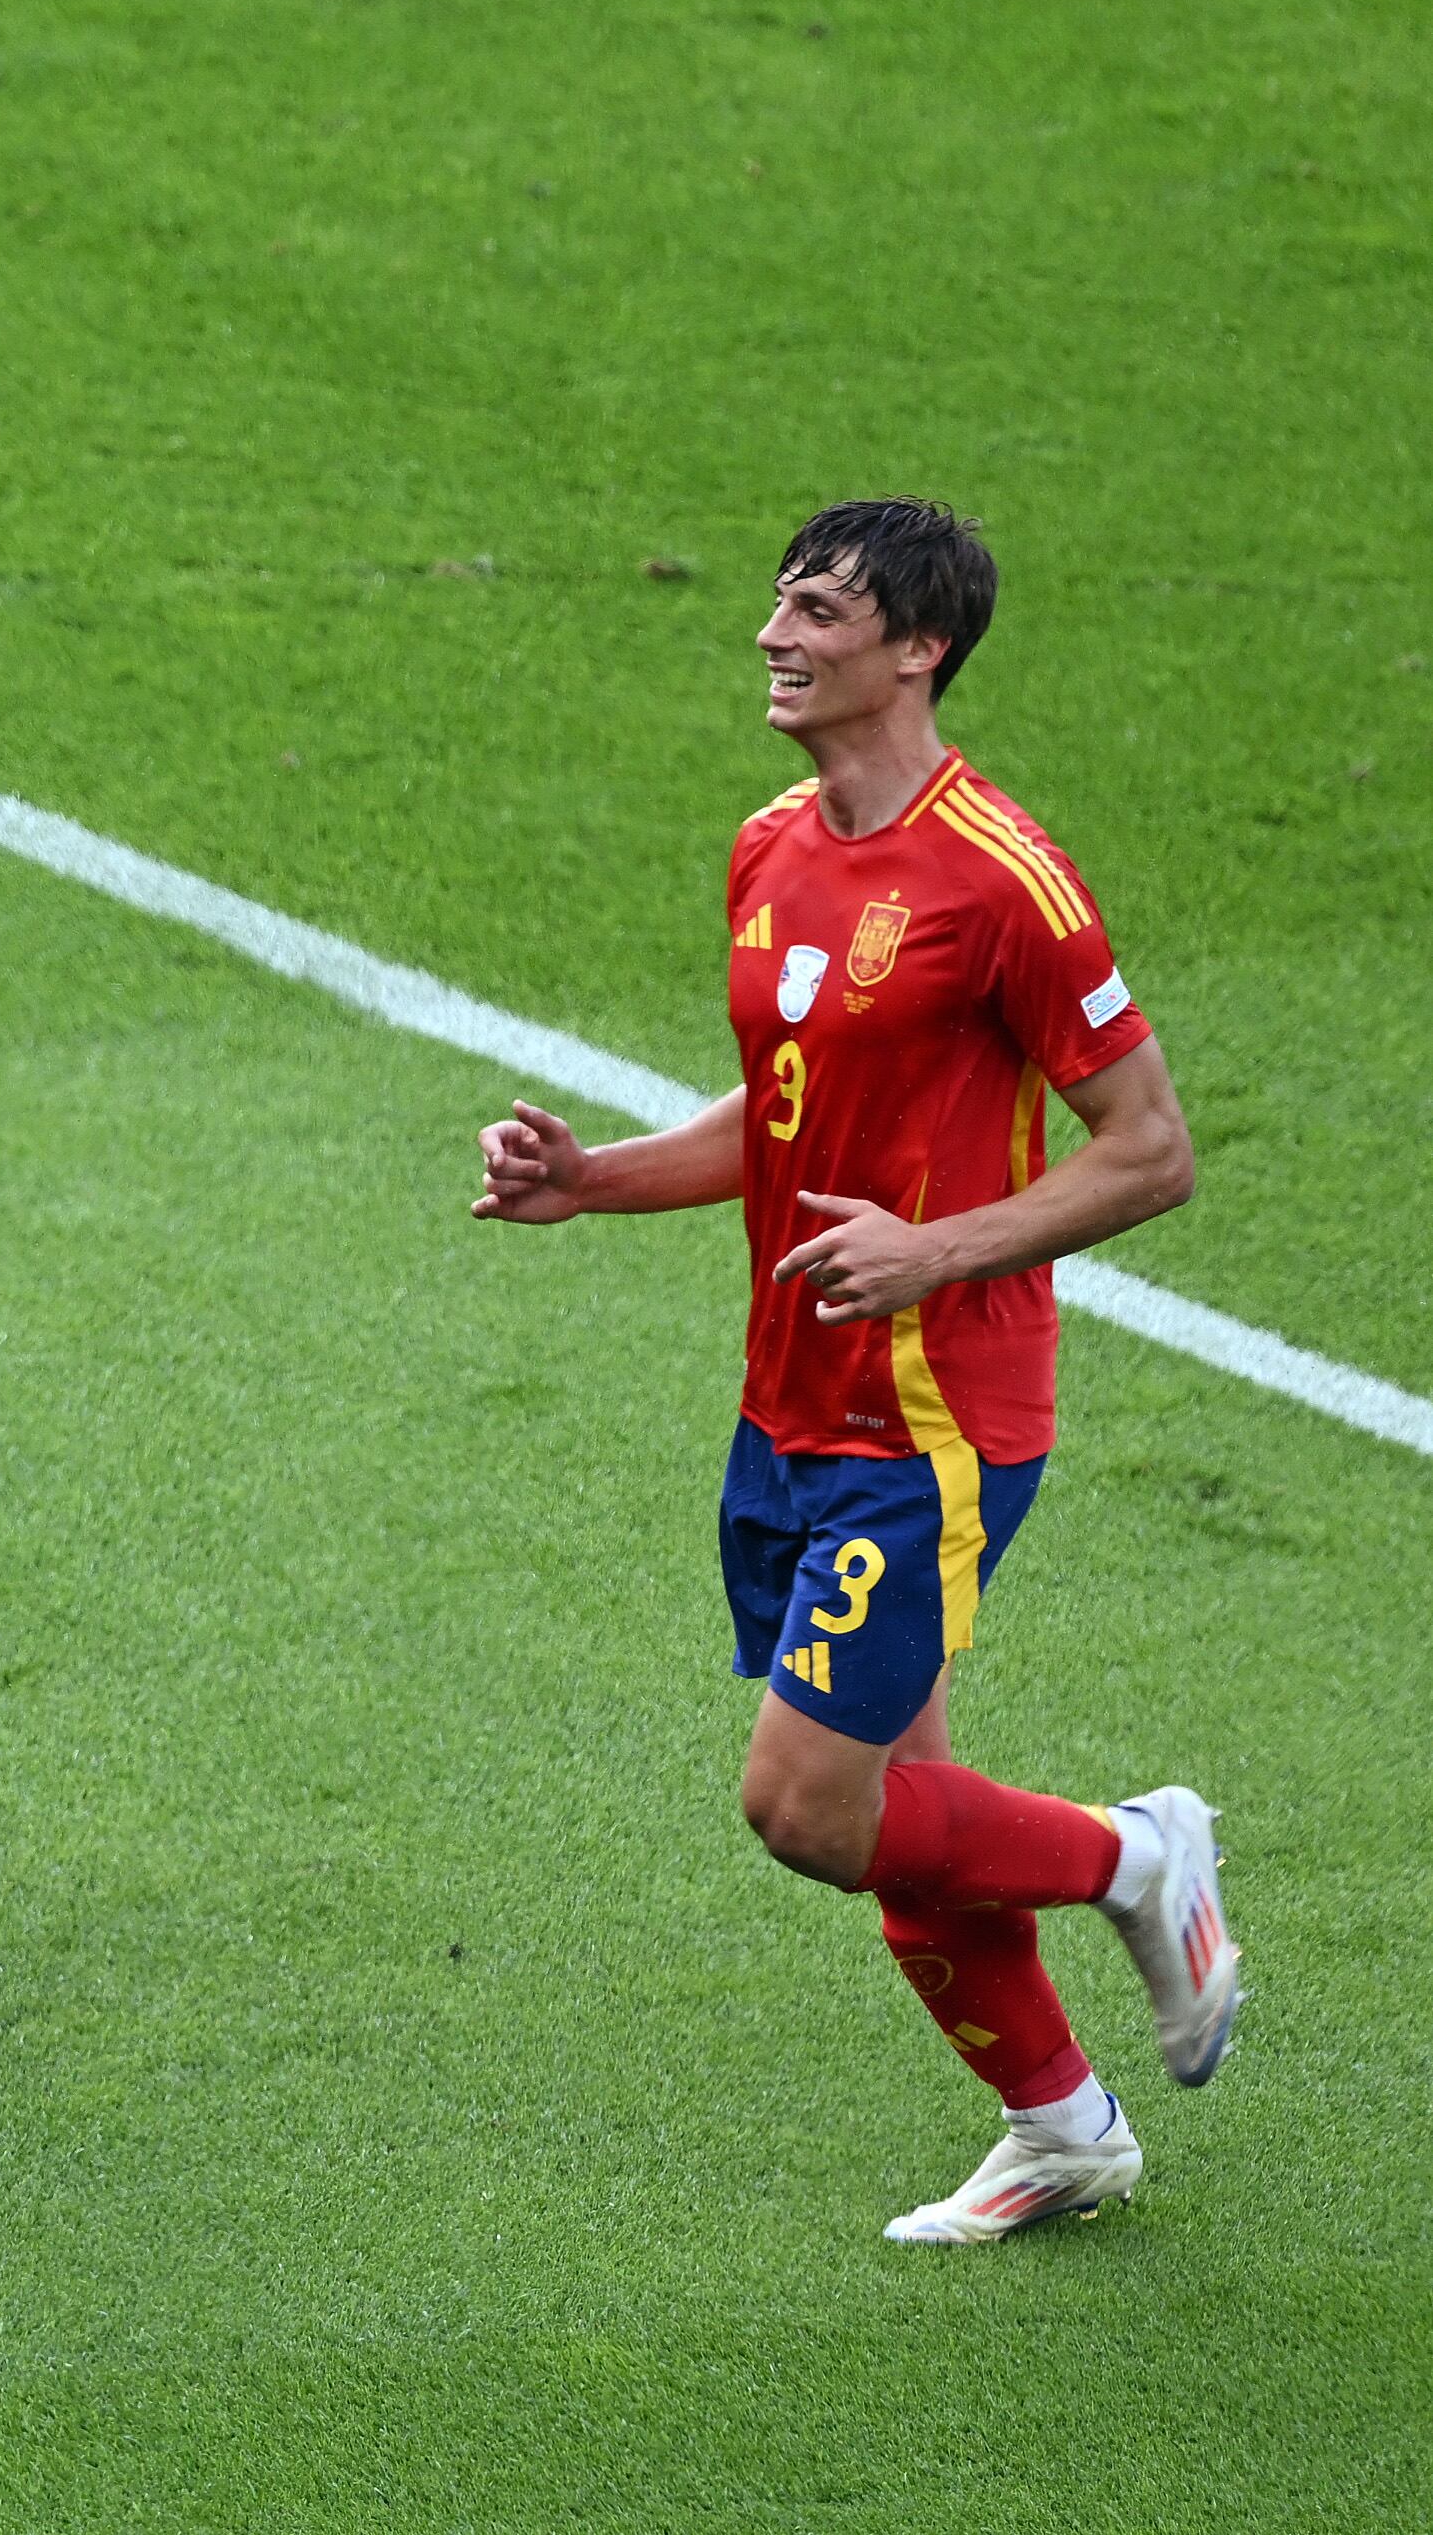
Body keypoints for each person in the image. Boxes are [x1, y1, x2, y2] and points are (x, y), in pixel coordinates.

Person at [473, 499, 1231, 2242]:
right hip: (787, 1402)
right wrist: (594, 1179)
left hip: (937, 1416)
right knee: (912, 1820)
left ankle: (1133, 1857)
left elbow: (1148, 1151)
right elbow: (784, 1115)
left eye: (816, 607)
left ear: (917, 648)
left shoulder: (1003, 880)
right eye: (774, 600)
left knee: (810, 1806)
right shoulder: (766, 848)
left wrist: (932, 1246)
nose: (771, 631)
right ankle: (1063, 2126)